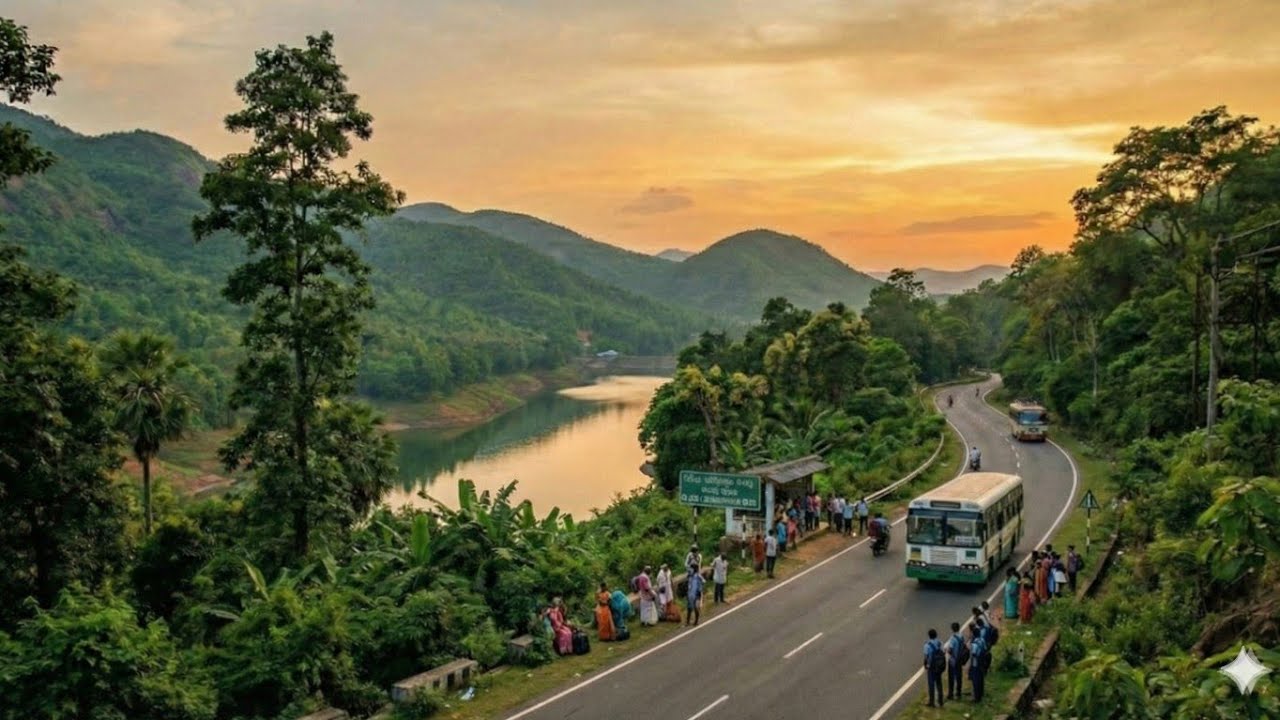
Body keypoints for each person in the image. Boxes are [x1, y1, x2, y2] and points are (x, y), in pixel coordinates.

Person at [924, 628, 946, 707]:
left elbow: (926, 657)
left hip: (932, 667)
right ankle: (940, 701)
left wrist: (926, 665)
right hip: (939, 666)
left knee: (931, 684)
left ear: (929, 636)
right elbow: (944, 652)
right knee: (939, 683)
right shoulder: (940, 643)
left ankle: (931, 701)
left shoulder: (927, 645)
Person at [969, 622, 989, 702]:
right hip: (982, 663)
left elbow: (973, 655)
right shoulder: (982, 640)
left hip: (975, 664)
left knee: (975, 681)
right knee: (981, 679)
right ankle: (981, 693)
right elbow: (985, 649)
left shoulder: (974, 644)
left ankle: (976, 697)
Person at [946, 621, 966, 700]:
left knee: (951, 678)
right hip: (960, 659)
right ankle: (959, 692)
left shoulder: (953, 638)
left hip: (953, 660)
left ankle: (951, 694)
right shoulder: (961, 636)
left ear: (952, 629)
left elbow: (950, 649)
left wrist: (947, 650)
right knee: (959, 677)